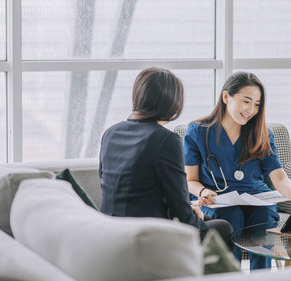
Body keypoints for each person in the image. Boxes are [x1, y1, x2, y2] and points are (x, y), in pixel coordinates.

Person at [99, 67, 234, 248]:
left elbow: (119, 187)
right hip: (147, 234)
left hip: (110, 229)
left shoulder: (111, 133)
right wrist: (194, 217)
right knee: (223, 228)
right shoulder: (165, 140)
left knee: (207, 220)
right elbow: (179, 206)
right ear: (172, 102)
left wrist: (194, 215)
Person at [183, 71, 291, 269]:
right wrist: (202, 192)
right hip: (218, 200)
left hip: (257, 198)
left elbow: (279, 176)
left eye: (257, 104)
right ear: (225, 97)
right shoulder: (198, 131)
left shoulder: (262, 134)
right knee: (232, 217)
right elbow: (190, 180)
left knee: (263, 217)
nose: (251, 110)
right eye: (246, 101)